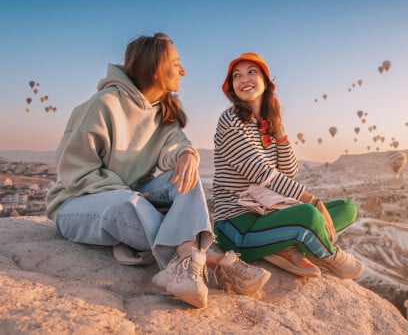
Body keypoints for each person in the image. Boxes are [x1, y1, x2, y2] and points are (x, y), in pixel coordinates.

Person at [45, 33, 270, 309]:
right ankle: (210, 259)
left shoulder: (162, 111)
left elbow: (175, 144)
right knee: (128, 203)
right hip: (75, 203)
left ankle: (186, 263)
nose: (183, 70)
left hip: (131, 192)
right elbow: (75, 173)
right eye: (176, 63)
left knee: (184, 179)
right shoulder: (103, 105)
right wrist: (130, 192)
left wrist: (186, 154)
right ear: (154, 68)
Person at [212, 52, 365, 279]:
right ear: (232, 88)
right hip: (237, 225)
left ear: (266, 82)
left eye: (251, 72)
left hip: (270, 213)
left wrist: (278, 127)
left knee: (346, 207)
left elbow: (289, 171)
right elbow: (260, 172)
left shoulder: (267, 124)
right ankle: (329, 255)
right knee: (308, 212)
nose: (244, 79)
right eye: (237, 76)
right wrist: (312, 200)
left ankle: (283, 247)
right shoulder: (231, 119)